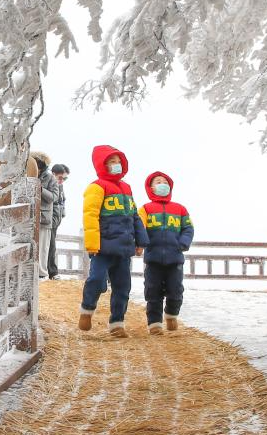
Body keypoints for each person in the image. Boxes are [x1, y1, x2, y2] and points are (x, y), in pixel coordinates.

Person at [78, 145, 149, 338]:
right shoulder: (96, 187)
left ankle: (117, 323)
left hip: (124, 248)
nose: (116, 165)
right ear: (103, 165)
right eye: (112, 162)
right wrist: (93, 244)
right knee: (96, 280)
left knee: (122, 286)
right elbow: (90, 216)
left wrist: (140, 241)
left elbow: (134, 216)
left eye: (119, 162)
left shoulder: (126, 188)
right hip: (103, 247)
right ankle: (87, 308)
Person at [138, 171, 194, 335]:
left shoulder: (180, 209)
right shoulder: (145, 209)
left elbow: (188, 228)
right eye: (157, 182)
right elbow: (139, 227)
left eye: (165, 181)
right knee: (152, 291)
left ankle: (171, 315)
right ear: (151, 187)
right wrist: (140, 243)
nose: (162, 184)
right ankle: (154, 323)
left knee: (175, 290)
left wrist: (183, 243)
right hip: (153, 260)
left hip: (175, 259)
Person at [31, 152, 59, 278]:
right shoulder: (26, 175)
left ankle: (42, 274)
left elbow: (54, 197)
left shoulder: (50, 178)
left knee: (43, 249)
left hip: (43, 218)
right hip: (28, 218)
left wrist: (40, 189)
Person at [47, 163, 69, 279]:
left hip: (56, 219)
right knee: (51, 246)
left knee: (52, 245)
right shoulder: (50, 184)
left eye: (64, 178)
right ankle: (52, 272)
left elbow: (62, 200)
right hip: (49, 219)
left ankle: (51, 271)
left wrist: (63, 213)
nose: (62, 180)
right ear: (53, 174)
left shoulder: (60, 186)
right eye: (60, 178)